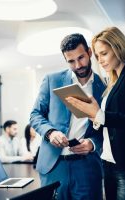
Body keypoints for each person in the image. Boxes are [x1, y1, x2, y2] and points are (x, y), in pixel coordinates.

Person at [66, 27, 125, 200]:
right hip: (109, 163)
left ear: (118, 47)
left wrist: (100, 115)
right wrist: (93, 117)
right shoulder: (111, 83)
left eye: (104, 53)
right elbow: (108, 123)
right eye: (97, 56)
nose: (100, 60)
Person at [30, 33, 105, 200]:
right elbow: (35, 115)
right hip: (54, 165)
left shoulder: (104, 86)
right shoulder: (52, 80)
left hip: (87, 165)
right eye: (71, 61)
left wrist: (93, 144)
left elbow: (107, 129)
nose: (78, 65)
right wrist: (50, 132)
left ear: (90, 52)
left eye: (81, 57)